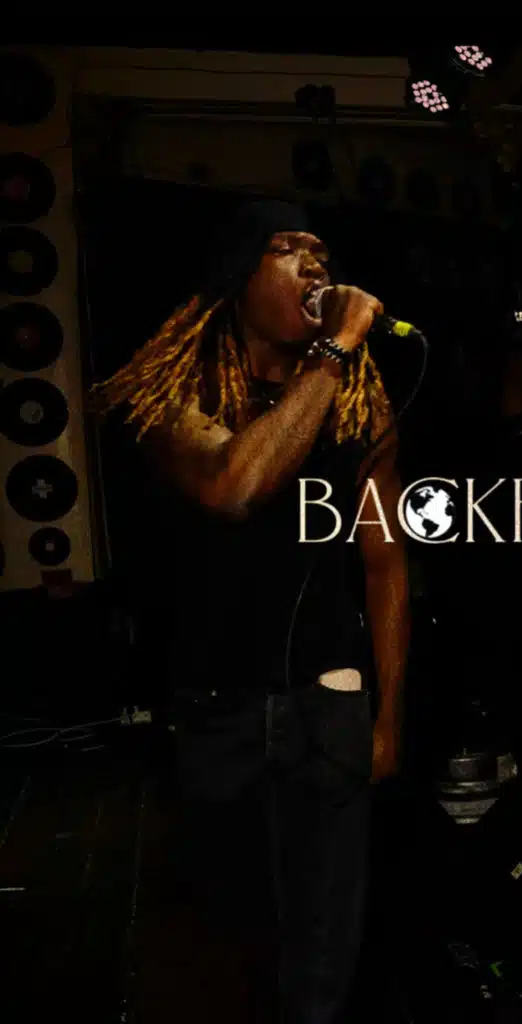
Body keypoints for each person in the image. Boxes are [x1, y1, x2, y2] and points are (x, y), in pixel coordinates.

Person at [93, 200, 410, 1023]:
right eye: (286, 249)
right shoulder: (173, 394)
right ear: (239, 273)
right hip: (218, 701)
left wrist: (388, 715)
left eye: (321, 252)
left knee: (328, 942)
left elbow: (385, 564)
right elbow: (234, 487)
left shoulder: (360, 405)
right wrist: (333, 352)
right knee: (235, 940)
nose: (314, 266)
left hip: (332, 697)